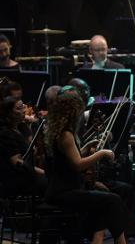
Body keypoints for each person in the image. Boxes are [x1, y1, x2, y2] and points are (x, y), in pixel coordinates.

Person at [43, 89, 128, 244]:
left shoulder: (62, 132)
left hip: (63, 189)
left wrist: (87, 146)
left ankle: (98, 240)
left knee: (105, 197)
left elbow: (71, 157)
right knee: (112, 200)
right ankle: (120, 242)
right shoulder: (66, 135)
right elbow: (77, 165)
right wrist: (101, 153)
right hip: (63, 192)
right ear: (73, 111)